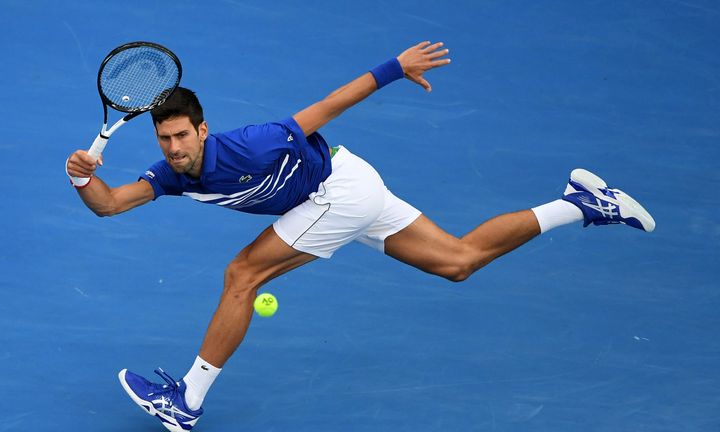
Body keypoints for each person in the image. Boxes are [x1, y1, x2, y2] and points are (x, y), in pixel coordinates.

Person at [65, 41, 655, 432]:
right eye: (164, 139)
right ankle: (582, 205)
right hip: (349, 188)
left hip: (338, 191)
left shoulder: (253, 144)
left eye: (182, 136)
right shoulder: (170, 175)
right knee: (457, 261)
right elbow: (111, 205)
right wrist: (82, 181)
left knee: (243, 273)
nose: (173, 148)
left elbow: (323, 107)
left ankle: (187, 401)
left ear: (202, 129)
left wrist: (394, 68)